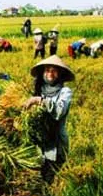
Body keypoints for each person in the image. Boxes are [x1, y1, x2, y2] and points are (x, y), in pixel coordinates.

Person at [23, 55, 74, 183]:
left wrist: (40, 100)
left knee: (50, 177)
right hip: (38, 144)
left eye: (54, 70)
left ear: (60, 74)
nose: (50, 73)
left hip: (56, 143)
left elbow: (59, 111)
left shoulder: (65, 92)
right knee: (37, 176)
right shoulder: (39, 90)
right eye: (47, 70)